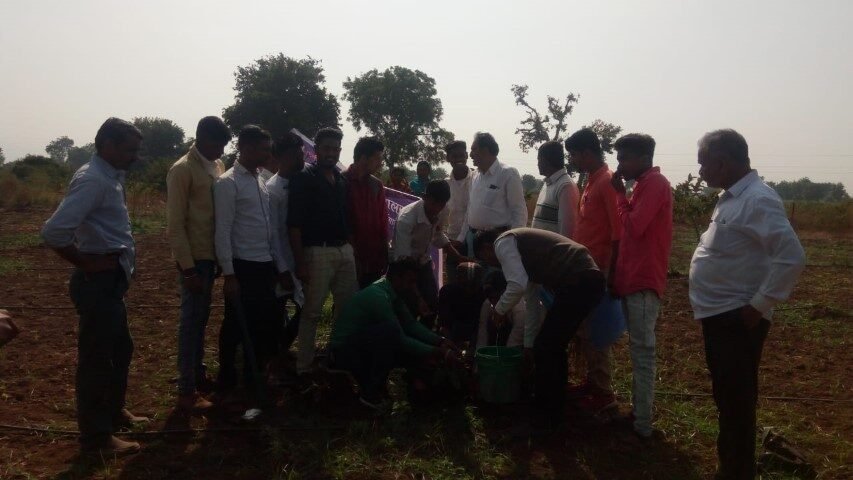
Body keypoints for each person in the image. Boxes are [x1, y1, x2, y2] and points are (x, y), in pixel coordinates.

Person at [689, 129, 805, 479]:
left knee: (736, 402)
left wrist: (758, 305)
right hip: (720, 316)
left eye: (703, 164)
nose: (700, 172)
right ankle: (731, 466)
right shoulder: (731, 198)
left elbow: (791, 256)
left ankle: (736, 471)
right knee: (728, 399)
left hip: (737, 319)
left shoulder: (757, 199)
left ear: (723, 163)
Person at [41, 117, 147, 455]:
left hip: (110, 282)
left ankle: (113, 414)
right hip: (97, 283)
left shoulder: (110, 176)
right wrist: (86, 262)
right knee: (97, 360)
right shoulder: (93, 180)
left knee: (120, 350)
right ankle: (96, 438)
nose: (135, 157)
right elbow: (54, 231)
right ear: (109, 146)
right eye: (129, 150)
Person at [474, 228, 604, 430]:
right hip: (584, 279)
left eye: (486, 259)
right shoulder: (526, 257)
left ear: (486, 247)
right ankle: (550, 407)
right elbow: (532, 304)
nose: (493, 265)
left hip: (581, 278)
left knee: (548, 347)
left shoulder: (503, 242)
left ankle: (548, 413)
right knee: (549, 345)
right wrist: (528, 345)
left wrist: (499, 310)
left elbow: (516, 286)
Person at [329, 258, 461, 409]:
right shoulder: (378, 296)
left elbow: (411, 324)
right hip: (343, 352)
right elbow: (400, 339)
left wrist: (440, 341)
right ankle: (370, 393)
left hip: (358, 345)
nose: (412, 286)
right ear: (397, 278)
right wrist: (438, 352)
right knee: (390, 333)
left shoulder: (391, 291)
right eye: (410, 281)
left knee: (400, 339)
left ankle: (411, 386)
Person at [610, 133, 673, 439]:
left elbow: (634, 226)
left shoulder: (655, 184)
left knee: (643, 352)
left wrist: (619, 196)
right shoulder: (642, 185)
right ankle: (638, 416)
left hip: (644, 281)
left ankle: (643, 424)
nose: (619, 165)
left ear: (644, 159)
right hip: (632, 279)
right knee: (638, 351)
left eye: (624, 159)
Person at [166, 116, 231, 412]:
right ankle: (186, 390)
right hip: (194, 260)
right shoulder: (182, 170)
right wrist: (187, 268)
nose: (221, 150)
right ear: (202, 139)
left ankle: (198, 374)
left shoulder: (217, 166)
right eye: (217, 144)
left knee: (201, 320)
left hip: (210, 257)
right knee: (190, 323)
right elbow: (175, 224)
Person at [213, 125, 283, 395]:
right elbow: (223, 230)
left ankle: (253, 379)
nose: (268, 155)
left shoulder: (260, 180)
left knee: (261, 324)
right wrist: (230, 275)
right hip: (243, 265)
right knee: (234, 326)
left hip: (264, 264)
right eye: (264, 150)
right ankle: (227, 381)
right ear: (247, 148)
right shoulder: (228, 183)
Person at [288, 127, 358, 374]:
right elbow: (294, 225)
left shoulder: (341, 180)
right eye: (326, 148)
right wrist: (300, 263)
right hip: (317, 252)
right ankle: (304, 366)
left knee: (346, 309)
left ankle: (336, 358)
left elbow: (346, 218)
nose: (331, 153)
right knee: (312, 312)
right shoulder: (303, 178)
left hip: (344, 251)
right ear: (316, 150)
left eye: (335, 149)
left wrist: (351, 249)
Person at [563, 128, 622, 413]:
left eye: (574, 155)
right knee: (586, 329)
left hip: (599, 270)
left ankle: (603, 391)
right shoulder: (591, 181)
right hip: (586, 269)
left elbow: (618, 233)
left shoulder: (607, 182)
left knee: (597, 331)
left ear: (587, 153)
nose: (573, 160)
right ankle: (592, 382)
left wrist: (612, 273)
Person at [391, 180, 467, 323]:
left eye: (441, 205)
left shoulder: (443, 210)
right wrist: (418, 298)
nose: (437, 209)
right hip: (403, 264)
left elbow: (438, 234)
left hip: (423, 260)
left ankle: (427, 332)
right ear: (425, 197)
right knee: (409, 306)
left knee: (432, 302)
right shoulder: (406, 219)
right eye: (433, 204)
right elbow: (404, 261)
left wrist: (458, 256)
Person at [267, 132, 306, 353]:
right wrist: (282, 269)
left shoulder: (304, 182)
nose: (300, 158)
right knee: (276, 311)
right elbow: (272, 234)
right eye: (294, 154)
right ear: (280, 157)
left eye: (301, 153)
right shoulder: (273, 190)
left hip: (301, 259)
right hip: (281, 262)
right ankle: (274, 355)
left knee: (307, 308)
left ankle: (282, 348)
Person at [456, 132, 527, 247]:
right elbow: (470, 210)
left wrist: (512, 242)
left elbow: (519, 212)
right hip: (473, 241)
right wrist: (461, 238)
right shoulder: (474, 176)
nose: (471, 155)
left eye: (474, 149)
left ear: (485, 150)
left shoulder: (508, 173)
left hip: (497, 242)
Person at [346, 136, 389, 288]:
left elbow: (383, 222)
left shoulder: (376, 185)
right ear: (364, 158)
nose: (380, 163)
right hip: (348, 257)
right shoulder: (342, 181)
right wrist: (353, 255)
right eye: (378, 159)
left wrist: (385, 252)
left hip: (374, 258)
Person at [531, 140, 579, 238]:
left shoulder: (565, 186)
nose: (537, 164)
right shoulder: (547, 183)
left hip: (552, 248)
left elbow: (567, 231)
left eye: (539, 160)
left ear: (546, 160)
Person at [437, 262, 485, 347]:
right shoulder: (447, 292)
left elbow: (483, 324)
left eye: (473, 286)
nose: (469, 289)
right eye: (465, 285)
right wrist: (450, 344)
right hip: (454, 330)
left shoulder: (483, 293)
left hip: (476, 331)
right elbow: (444, 324)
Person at [444, 140, 473, 283]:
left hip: (472, 240)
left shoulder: (478, 179)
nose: (459, 159)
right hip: (452, 240)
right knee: (453, 282)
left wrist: (460, 239)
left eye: (461, 155)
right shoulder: (445, 184)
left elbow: (471, 212)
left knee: (472, 283)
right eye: (454, 156)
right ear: (448, 158)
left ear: (467, 155)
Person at [476, 271, 526, 349]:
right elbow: (482, 333)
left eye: (496, 297)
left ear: (505, 293)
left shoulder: (519, 306)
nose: (493, 301)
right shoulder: (488, 303)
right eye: (490, 297)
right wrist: (480, 353)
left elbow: (515, 342)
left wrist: (506, 354)